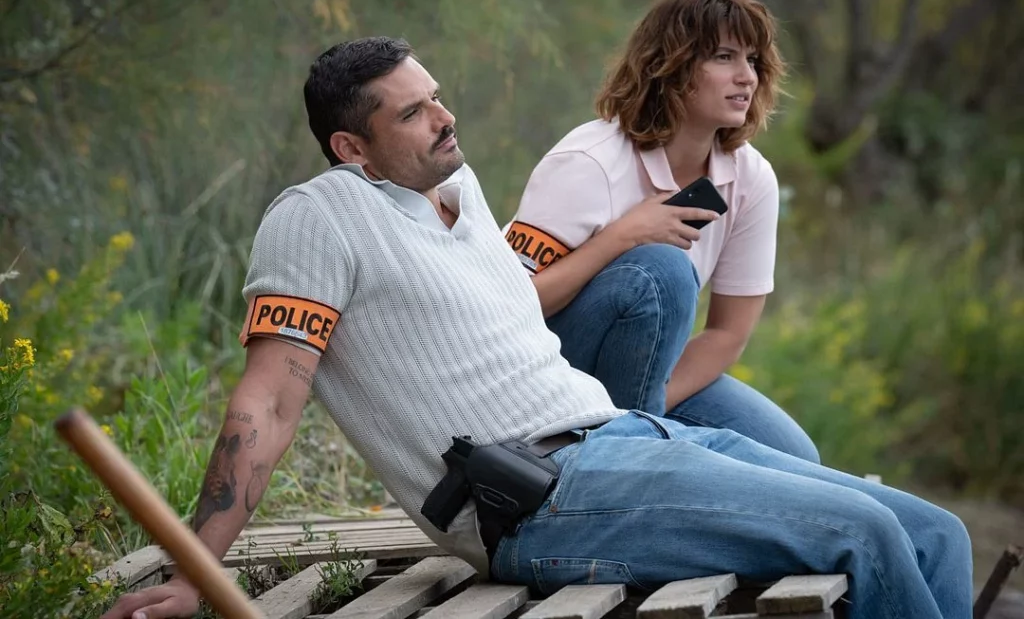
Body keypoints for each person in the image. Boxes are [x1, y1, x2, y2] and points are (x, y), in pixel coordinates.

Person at [102, 36, 972, 619]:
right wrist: (194, 571)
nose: (444, 116)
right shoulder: (317, 217)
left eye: (436, 97)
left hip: (629, 436)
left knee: (940, 531)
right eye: (411, 112)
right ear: (350, 148)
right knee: (866, 532)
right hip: (542, 497)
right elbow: (267, 402)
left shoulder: (460, 190)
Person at [504, 0, 818, 461]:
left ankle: (637, 441)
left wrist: (651, 410)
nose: (746, 77)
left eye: (753, 60)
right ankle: (631, 464)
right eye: (724, 56)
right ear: (670, 66)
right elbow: (508, 309)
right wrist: (623, 236)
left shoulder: (750, 178)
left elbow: (728, 333)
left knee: (793, 455)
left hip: (642, 375)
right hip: (546, 370)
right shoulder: (588, 161)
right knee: (661, 270)